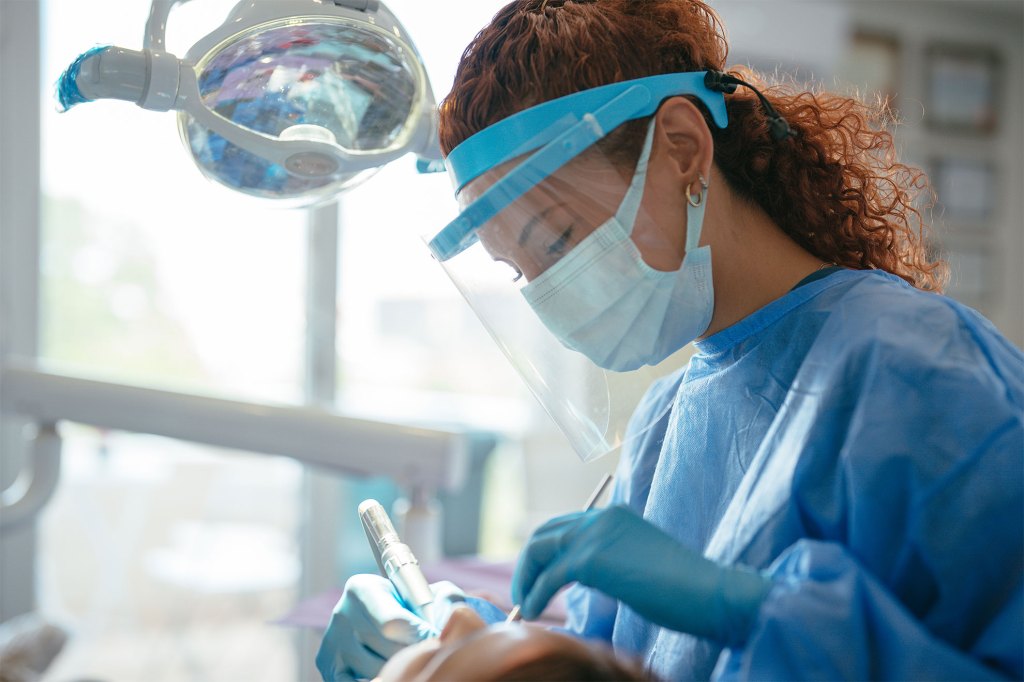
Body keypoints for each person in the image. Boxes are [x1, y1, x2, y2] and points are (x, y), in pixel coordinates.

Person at [318, 1, 1024, 680]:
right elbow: (620, 667)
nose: (550, 294)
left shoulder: (920, 371)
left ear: (682, 147)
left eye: (558, 239)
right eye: (521, 271)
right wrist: (465, 640)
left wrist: (749, 610)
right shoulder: (665, 427)